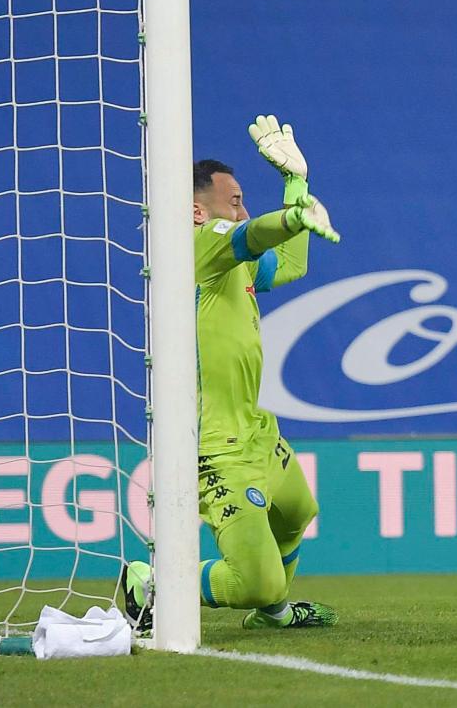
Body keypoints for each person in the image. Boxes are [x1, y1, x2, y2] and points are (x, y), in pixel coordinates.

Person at [121, 115, 340, 630]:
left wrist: (297, 186)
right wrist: (291, 218)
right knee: (255, 580)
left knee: (297, 511)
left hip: (254, 430)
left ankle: (276, 615)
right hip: (215, 445)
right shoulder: (194, 246)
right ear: (197, 209)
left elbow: (290, 263)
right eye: (234, 198)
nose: (242, 207)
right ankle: (149, 582)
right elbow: (260, 232)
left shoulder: (233, 260)